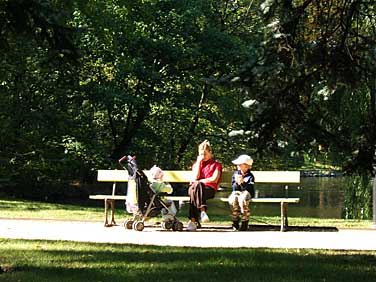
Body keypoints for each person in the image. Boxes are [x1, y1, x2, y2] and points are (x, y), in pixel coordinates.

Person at [186, 140, 222, 231]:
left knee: (195, 189)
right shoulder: (197, 164)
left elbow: (214, 179)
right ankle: (202, 211)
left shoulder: (216, 165)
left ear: (211, 153)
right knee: (195, 187)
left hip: (208, 189)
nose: (203, 156)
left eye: (205, 154)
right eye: (201, 154)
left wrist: (201, 181)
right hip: (196, 189)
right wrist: (198, 163)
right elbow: (195, 177)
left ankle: (193, 221)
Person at [229, 154, 255, 231]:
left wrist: (243, 183)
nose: (238, 166)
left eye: (240, 165)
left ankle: (244, 222)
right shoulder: (236, 174)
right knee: (233, 199)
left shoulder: (250, 176)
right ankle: (235, 221)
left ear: (247, 166)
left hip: (247, 193)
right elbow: (234, 187)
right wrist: (237, 183)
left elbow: (249, 188)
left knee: (243, 199)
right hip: (237, 192)